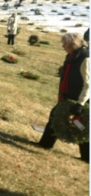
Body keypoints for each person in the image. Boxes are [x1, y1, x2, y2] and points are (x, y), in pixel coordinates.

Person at [37, 33, 89, 162]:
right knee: (55, 116)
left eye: (65, 44)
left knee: (81, 125)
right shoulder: (72, 57)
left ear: (73, 44)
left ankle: (87, 156)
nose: (63, 46)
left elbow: (88, 84)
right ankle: (46, 144)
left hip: (82, 99)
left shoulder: (85, 59)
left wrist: (80, 104)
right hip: (68, 96)